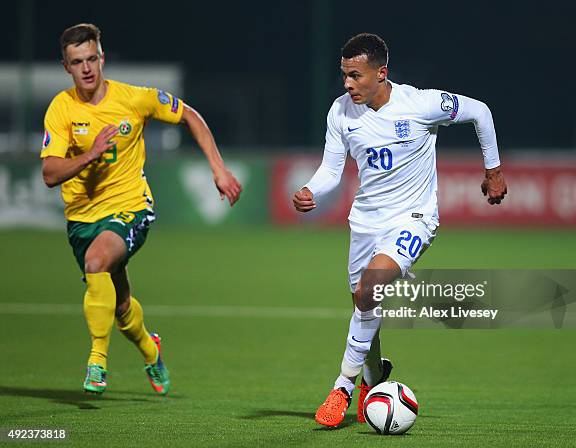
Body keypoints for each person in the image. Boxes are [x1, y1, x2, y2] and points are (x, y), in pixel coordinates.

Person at [293, 33, 507, 427]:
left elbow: (480, 111)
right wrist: (311, 190)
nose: (347, 84)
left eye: (355, 76)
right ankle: (373, 379)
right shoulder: (340, 112)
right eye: (344, 75)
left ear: (381, 73)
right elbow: (331, 169)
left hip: (414, 218)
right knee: (363, 302)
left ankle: (342, 385)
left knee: (370, 287)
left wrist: (492, 170)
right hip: (365, 222)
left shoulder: (420, 104)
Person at [41, 23, 242, 395]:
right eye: (76, 62)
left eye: (91, 59)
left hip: (132, 207)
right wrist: (91, 154)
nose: (86, 68)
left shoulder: (135, 98)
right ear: (66, 67)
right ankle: (151, 350)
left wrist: (218, 168)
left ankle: (97, 361)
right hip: (82, 219)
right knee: (118, 306)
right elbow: (50, 173)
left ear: (102, 58)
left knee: (97, 262)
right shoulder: (61, 109)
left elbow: (189, 116)